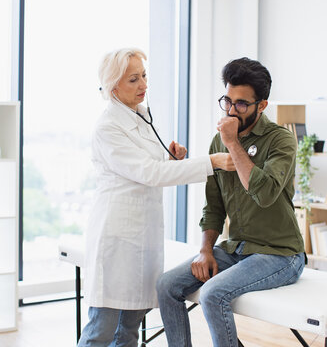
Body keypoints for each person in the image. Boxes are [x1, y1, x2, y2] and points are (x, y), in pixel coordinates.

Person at [78, 48, 234, 347]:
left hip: (142, 238)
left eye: (144, 76)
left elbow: (150, 168)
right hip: (117, 237)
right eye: (133, 79)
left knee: (129, 331)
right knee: (102, 330)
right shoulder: (108, 127)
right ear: (113, 88)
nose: (143, 85)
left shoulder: (140, 115)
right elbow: (148, 173)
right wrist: (209, 162)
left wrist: (172, 159)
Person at [156, 57, 306, 347]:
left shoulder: (280, 141)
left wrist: (233, 144)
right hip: (236, 248)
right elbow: (213, 207)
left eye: (241, 104)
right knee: (166, 285)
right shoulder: (218, 141)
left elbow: (263, 194)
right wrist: (204, 251)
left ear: (261, 106)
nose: (230, 110)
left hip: (280, 254)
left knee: (213, 294)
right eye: (227, 100)